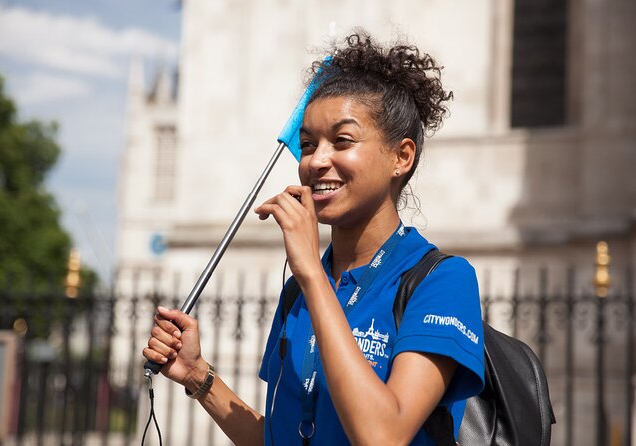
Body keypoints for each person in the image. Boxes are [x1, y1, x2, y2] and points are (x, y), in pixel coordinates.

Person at [143, 30, 485, 445]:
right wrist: (199, 377)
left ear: (401, 156)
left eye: (342, 140)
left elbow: (383, 436)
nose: (317, 161)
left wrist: (310, 273)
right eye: (308, 144)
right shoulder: (299, 293)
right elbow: (281, 438)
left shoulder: (441, 281)